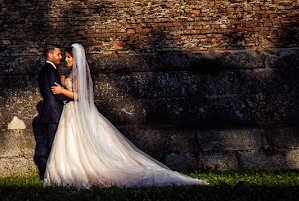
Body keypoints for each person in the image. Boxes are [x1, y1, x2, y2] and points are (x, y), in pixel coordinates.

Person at [44, 43, 205, 188]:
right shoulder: (74, 74)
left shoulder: (80, 74)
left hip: (77, 111)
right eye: (65, 57)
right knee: (73, 143)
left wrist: (62, 90)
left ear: (76, 58)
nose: (66, 60)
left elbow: (81, 95)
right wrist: (66, 82)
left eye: (68, 57)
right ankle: (69, 170)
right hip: (72, 112)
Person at [32, 44, 71, 179]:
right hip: (53, 112)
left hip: (50, 111)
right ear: (50, 55)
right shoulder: (50, 71)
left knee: (52, 143)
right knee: (53, 144)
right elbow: (57, 93)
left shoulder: (45, 70)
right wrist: (73, 97)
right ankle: (51, 175)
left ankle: (52, 174)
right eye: (58, 54)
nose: (61, 57)